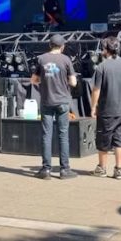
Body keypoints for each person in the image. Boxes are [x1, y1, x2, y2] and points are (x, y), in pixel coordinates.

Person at [31, 34, 78, 180]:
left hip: (47, 101)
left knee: (46, 135)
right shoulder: (66, 60)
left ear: (49, 45)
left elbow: (34, 80)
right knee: (63, 135)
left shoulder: (41, 59)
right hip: (62, 102)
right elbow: (73, 82)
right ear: (62, 46)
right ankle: (65, 170)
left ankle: (46, 170)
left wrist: (45, 80)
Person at [91, 36, 121, 180]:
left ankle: (102, 168)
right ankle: (118, 170)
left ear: (106, 49)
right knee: (120, 140)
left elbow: (96, 90)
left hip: (107, 110)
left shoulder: (102, 67)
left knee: (103, 140)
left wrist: (93, 107)